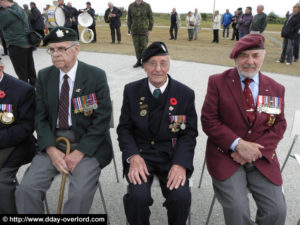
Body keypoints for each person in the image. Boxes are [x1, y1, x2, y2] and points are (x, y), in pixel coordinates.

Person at [15, 26, 113, 214]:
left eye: (62, 49)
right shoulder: (45, 76)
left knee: (78, 197)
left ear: (76, 49)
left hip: (87, 145)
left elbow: (102, 119)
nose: (55, 54)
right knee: (26, 190)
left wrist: (80, 152)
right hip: (53, 142)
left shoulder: (95, 76)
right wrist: (51, 150)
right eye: (51, 49)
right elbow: (40, 117)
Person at [201, 34, 287, 225]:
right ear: (235, 58)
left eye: (255, 55)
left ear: (263, 56)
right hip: (226, 155)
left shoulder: (275, 88)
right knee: (238, 211)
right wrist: (238, 145)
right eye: (244, 56)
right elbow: (209, 120)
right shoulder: (217, 82)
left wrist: (254, 151)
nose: (250, 61)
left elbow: (279, 124)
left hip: (261, 157)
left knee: (277, 211)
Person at [117, 41, 198, 225]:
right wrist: (133, 157)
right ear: (144, 65)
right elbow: (125, 129)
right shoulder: (132, 91)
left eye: (163, 63)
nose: (158, 69)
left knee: (180, 197)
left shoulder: (185, 93)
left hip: (171, 156)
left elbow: (189, 134)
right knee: (137, 198)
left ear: (169, 65)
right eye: (152, 63)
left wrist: (180, 164)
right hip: (141, 155)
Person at [0, 58, 36, 214]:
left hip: (16, 145)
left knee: (1, 181)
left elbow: (25, 128)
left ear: (1, 67)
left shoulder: (22, 90)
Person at [0, 0, 37, 86]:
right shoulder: (18, 8)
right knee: (30, 68)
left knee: (21, 72)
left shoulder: (5, 13)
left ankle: (25, 93)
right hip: (26, 43)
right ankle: (35, 88)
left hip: (16, 44)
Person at [127, 0, 153, 68]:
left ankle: (144, 61)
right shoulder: (131, 6)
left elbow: (151, 18)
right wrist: (129, 29)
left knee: (144, 46)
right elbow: (129, 18)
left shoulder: (147, 5)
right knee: (136, 46)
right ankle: (138, 61)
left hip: (144, 30)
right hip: (134, 30)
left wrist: (150, 29)